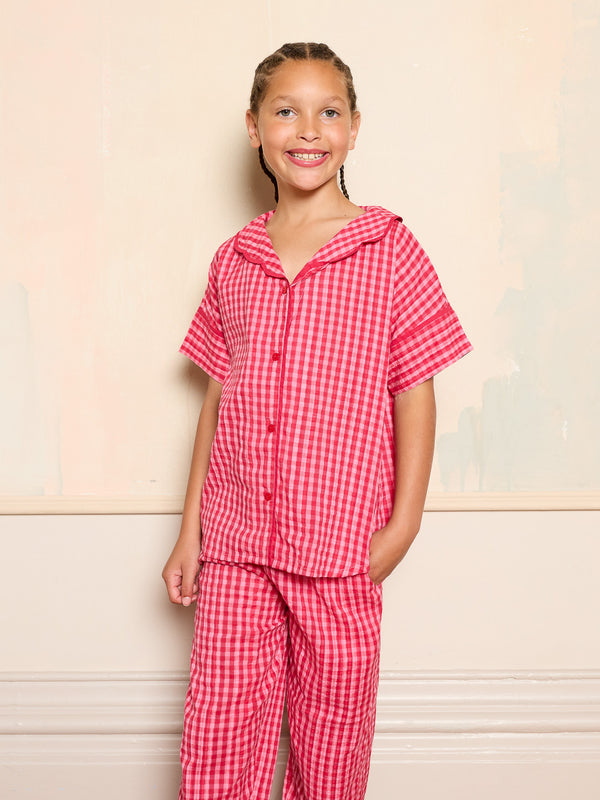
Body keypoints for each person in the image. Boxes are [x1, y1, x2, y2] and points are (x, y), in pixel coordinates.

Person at [162, 42, 472, 800]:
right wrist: (190, 531)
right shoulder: (235, 259)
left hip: (338, 548)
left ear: (354, 128)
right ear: (254, 126)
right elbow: (217, 398)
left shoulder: (389, 249)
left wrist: (403, 527)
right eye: (286, 111)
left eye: (329, 112)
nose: (308, 129)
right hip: (236, 549)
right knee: (218, 738)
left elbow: (416, 389)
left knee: (330, 751)